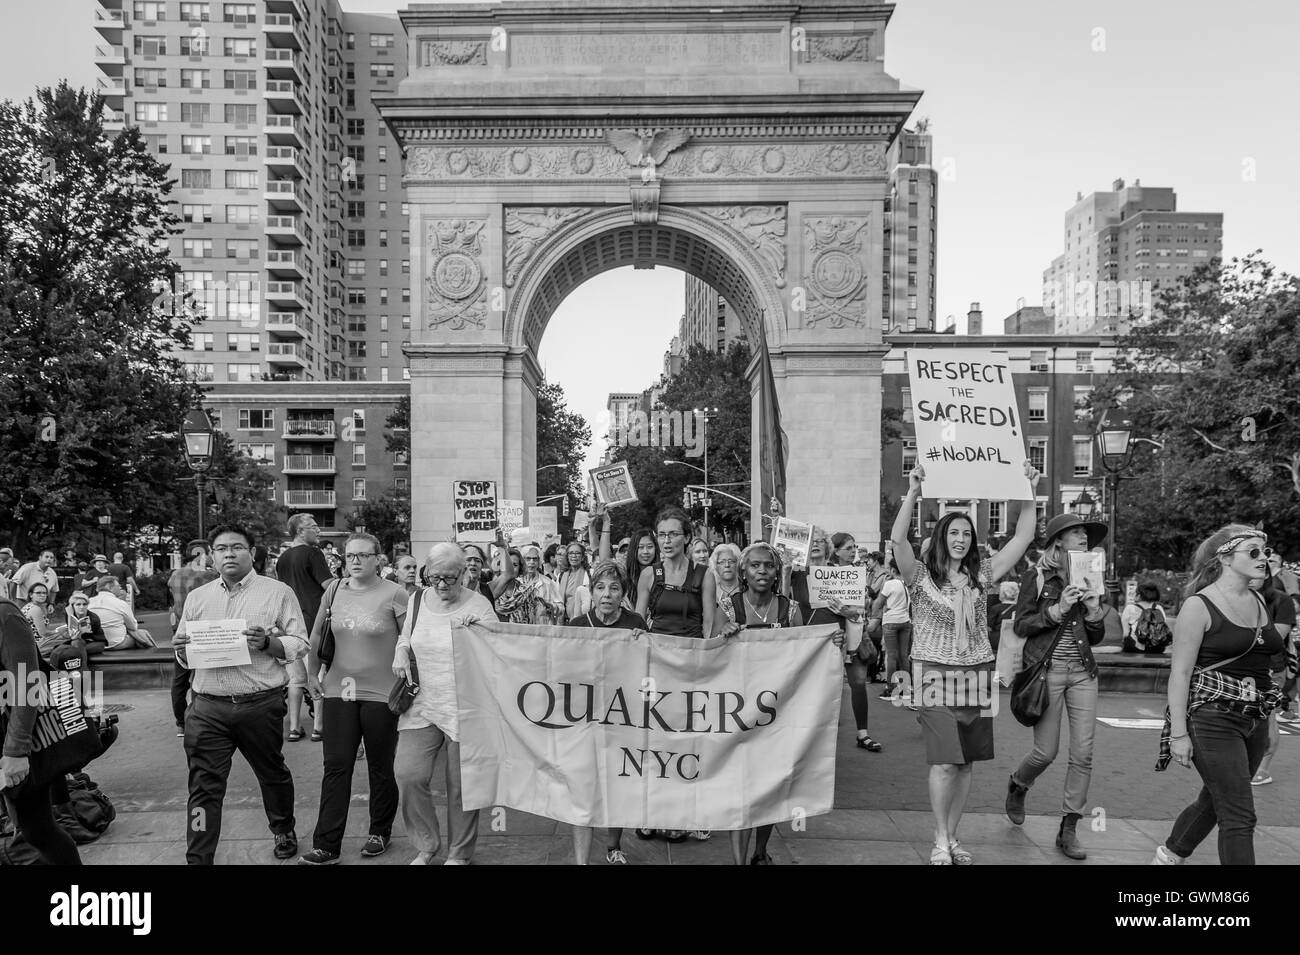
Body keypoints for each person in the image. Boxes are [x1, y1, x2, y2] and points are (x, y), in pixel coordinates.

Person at [891, 461, 1041, 866]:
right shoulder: (920, 576)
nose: (960, 539)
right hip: (933, 672)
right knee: (944, 761)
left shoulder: (982, 575)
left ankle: (953, 837)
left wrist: (1028, 488)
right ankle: (939, 838)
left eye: (966, 534)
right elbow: (897, 539)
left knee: (966, 763)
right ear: (942, 537)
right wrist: (913, 491)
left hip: (976, 671)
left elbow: (1024, 536)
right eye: (953, 532)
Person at [172, 523, 310, 865]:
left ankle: (283, 828)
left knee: (272, 773)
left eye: (236, 547)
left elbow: (300, 642)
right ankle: (198, 854)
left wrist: (269, 642)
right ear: (212, 557)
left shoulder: (276, 592)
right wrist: (180, 650)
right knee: (203, 788)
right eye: (221, 549)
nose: (229, 553)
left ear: (252, 552)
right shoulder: (198, 598)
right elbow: (184, 651)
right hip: (207, 707)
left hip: (259, 704)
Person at [1154, 525, 1284, 866]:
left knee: (1215, 801)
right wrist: (1179, 734)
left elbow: (1262, 669)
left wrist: (1270, 724)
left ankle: (1169, 855)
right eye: (1253, 552)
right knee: (1240, 815)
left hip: (1254, 717)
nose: (1263, 559)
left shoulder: (1257, 599)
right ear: (1225, 557)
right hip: (1212, 718)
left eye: (1265, 552)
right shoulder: (1199, 606)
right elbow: (1180, 673)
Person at [298, 533, 408, 865]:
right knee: (336, 765)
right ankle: (327, 844)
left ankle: (380, 831)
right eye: (349, 556)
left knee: (380, 766)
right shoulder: (334, 590)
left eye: (362, 555)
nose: (355, 561)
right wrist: (310, 675)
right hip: (338, 691)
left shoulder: (395, 594)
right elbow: (317, 634)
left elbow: (410, 642)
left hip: (381, 694)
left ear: (379, 559)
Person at [1005, 513, 1109, 860]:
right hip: (1047, 672)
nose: (1084, 538)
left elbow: (1096, 636)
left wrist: (1093, 610)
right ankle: (1019, 783)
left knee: (1083, 754)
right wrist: (1058, 608)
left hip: (1083, 673)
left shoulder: (1091, 577)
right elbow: (1021, 625)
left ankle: (1069, 827)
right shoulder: (1035, 577)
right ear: (1059, 541)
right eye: (1077, 533)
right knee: (1045, 752)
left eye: (1085, 534)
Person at [392, 543, 496, 864]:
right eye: (433, 577)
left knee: (461, 788)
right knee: (408, 774)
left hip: (465, 708)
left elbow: (498, 657)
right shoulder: (418, 599)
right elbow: (406, 636)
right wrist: (400, 651)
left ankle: (459, 854)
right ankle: (426, 844)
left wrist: (479, 635)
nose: (440, 585)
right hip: (422, 702)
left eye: (449, 578)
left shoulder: (479, 606)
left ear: (464, 574)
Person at [728, 541, 821, 864]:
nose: (762, 571)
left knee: (768, 788)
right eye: (755, 565)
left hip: (777, 712)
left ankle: (760, 851)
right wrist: (723, 635)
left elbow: (805, 650)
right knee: (742, 789)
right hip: (739, 711)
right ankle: (739, 859)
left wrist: (830, 641)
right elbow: (709, 650)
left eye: (768, 565)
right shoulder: (729, 607)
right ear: (744, 571)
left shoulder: (790, 609)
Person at [566, 559, 647, 865]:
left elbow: (648, 670)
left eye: (614, 588)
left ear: (623, 592)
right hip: (585, 720)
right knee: (582, 790)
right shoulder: (577, 627)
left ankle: (613, 845)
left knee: (617, 785)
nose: (607, 594)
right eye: (600, 587)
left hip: (622, 720)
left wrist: (645, 645)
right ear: (592, 592)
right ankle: (581, 859)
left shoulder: (635, 624)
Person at [0, 595, 82, 864]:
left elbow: (28, 683)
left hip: (13, 740)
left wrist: (16, 750)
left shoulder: (5, 614)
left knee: (38, 830)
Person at [792, 530, 881, 752]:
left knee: (858, 684)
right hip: (811, 639)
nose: (816, 544)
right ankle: (812, 736)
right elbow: (788, 604)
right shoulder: (797, 574)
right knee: (815, 688)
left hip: (841, 637)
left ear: (828, 546)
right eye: (812, 541)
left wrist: (846, 611)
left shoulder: (842, 574)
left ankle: (863, 734)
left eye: (821, 541)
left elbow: (859, 613)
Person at [275, 514, 331, 743]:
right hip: (313, 622)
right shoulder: (313, 553)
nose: (318, 530)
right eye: (313, 527)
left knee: (295, 681)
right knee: (317, 677)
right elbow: (328, 586)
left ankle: (294, 727)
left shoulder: (282, 558)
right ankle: (319, 726)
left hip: (289, 626)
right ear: (300, 531)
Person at [636, 507, 718, 641]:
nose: (666, 540)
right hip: (658, 654)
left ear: (686, 538)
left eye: (673, 534)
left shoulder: (704, 575)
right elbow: (638, 623)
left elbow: (709, 625)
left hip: (692, 653)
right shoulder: (648, 575)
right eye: (661, 535)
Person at [1248, 566, 1295, 786]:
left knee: (1268, 719)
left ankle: (1263, 769)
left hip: (1271, 669)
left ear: (1266, 575)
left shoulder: (1280, 600)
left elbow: (1277, 637)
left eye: (1255, 573)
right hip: (1240, 670)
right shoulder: (1236, 598)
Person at [167, 541, 218, 736]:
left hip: (181, 629)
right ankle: (198, 719)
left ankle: (181, 722)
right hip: (204, 630)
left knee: (179, 680)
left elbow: (172, 600)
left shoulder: (176, 574)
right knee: (200, 677)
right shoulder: (211, 575)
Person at [873, 560, 914, 707]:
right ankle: (906, 688)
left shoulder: (890, 584)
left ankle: (890, 689)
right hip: (906, 621)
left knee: (891, 656)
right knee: (904, 655)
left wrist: (874, 617)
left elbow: (878, 602)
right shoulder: (907, 583)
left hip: (891, 621)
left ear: (892, 569)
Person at [496, 544, 562, 625]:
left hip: (541, 628)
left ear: (539, 562)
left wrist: (549, 606)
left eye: (535, 559)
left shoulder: (548, 583)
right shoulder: (515, 582)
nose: (532, 562)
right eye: (528, 559)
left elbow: (560, 607)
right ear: (522, 562)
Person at [90, 577, 154, 649]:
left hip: (95, 643)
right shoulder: (120, 604)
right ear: (109, 587)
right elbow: (133, 626)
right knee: (142, 635)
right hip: (116, 643)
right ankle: (156, 654)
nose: (120, 587)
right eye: (118, 586)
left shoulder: (89, 602)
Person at [1121, 583, 1172, 654]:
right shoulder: (1158, 608)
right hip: (1156, 647)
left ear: (1139, 595)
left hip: (1133, 647)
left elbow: (1125, 633)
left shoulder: (1130, 608)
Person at [709, 543, 743, 636]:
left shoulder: (745, 590)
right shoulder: (710, 590)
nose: (727, 565)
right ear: (715, 565)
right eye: (722, 562)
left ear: (738, 564)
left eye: (731, 561)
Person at [62, 592, 108, 658]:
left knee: (75, 648)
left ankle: (81, 667)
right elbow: (72, 634)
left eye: (84, 604)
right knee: (75, 645)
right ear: (72, 606)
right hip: (78, 641)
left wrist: (74, 637)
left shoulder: (93, 618)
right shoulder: (70, 615)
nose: (82, 607)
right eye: (78, 604)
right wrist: (70, 616)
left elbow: (78, 635)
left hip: (95, 642)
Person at [557, 541, 592, 620]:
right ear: (567, 556)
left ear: (583, 557)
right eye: (571, 553)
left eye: (577, 553)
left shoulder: (590, 574)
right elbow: (557, 600)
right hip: (564, 621)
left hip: (584, 620)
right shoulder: (561, 576)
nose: (574, 556)